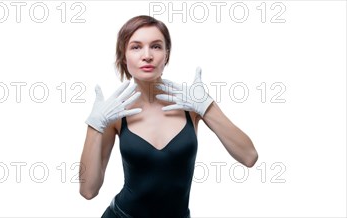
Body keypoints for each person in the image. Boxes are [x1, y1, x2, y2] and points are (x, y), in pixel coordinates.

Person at [79, 15, 259, 218]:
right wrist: (94, 125)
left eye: (156, 46)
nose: (147, 55)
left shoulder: (191, 104)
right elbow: (88, 191)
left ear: (167, 55)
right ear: (124, 56)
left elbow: (249, 156)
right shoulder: (114, 113)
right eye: (136, 47)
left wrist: (207, 107)